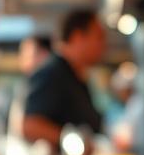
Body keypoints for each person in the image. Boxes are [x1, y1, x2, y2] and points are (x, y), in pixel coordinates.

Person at [22, 9, 108, 147]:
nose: (104, 45)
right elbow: (31, 126)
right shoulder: (52, 73)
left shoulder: (77, 77)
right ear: (78, 36)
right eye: (99, 37)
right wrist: (72, 140)